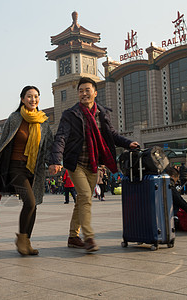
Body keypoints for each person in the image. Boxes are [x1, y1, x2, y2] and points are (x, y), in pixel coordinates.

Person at [49, 77, 139, 252]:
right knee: (84, 197)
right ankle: (88, 237)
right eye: (81, 91)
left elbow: (112, 135)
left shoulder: (102, 113)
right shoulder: (70, 114)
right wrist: (55, 160)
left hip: (93, 163)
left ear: (95, 93)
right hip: (75, 163)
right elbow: (61, 137)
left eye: (87, 90)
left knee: (83, 199)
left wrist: (128, 143)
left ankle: (73, 236)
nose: (84, 93)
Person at [0, 85, 53, 256]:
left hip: (34, 169)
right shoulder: (14, 118)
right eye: (29, 96)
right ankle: (21, 239)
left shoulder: (43, 121)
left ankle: (26, 242)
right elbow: (3, 143)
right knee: (29, 202)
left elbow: (49, 146)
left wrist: (53, 162)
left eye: (36, 96)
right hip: (15, 168)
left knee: (34, 204)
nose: (33, 99)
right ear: (22, 99)